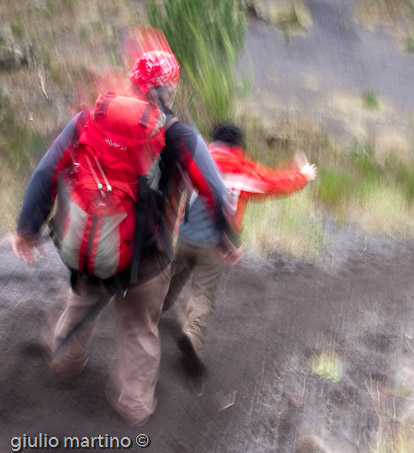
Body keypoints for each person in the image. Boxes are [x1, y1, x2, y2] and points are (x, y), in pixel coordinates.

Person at [11, 50, 238, 426]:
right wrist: (224, 238)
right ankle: (132, 407)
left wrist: (27, 229)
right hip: (147, 262)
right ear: (168, 90)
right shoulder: (178, 133)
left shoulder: (90, 118)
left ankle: (64, 367)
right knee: (138, 332)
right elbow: (213, 188)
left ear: (134, 81)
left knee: (78, 306)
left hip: (90, 250)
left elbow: (47, 170)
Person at [162, 123, 317, 380]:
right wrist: (302, 176)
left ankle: (149, 314)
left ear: (214, 140)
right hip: (216, 246)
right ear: (238, 146)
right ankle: (191, 336)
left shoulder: (196, 158)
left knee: (169, 279)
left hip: (185, 235)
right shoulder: (242, 169)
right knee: (202, 296)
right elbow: (271, 183)